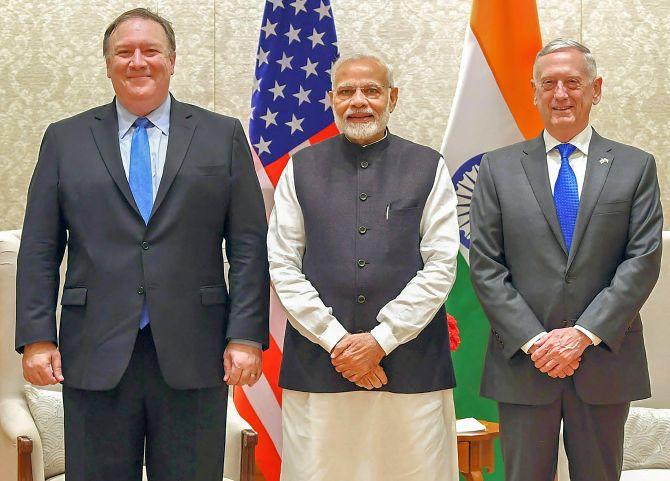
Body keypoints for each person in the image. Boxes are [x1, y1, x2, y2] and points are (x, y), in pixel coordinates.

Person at [15, 8, 269, 481]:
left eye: (150, 51)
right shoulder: (65, 139)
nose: (138, 62)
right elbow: (39, 247)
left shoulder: (222, 135)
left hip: (197, 348)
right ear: (107, 64)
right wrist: (36, 337)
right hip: (94, 348)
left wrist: (246, 335)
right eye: (124, 52)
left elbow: (250, 246)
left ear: (172, 60)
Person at [469, 38, 663, 481]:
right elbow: (486, 265)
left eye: (573, 83)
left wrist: (581, 335)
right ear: (533, 92)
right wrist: (538, 341)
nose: (560, 94)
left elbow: (642, 260)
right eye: (549, 83)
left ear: (596, 89)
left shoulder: (636, 167)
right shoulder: (497, 169)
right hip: (523, 361)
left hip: (603, 361)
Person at [268, 53, 460, 481]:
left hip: (411, 367)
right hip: (320, 365)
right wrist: (339, 342)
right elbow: (282, 265)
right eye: (346, 91)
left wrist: (381, 339)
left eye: (372, 90)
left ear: (393, 98)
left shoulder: (428, 166)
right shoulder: (300, 169)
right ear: (330, 100)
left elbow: (441, 265)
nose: (359, 101)